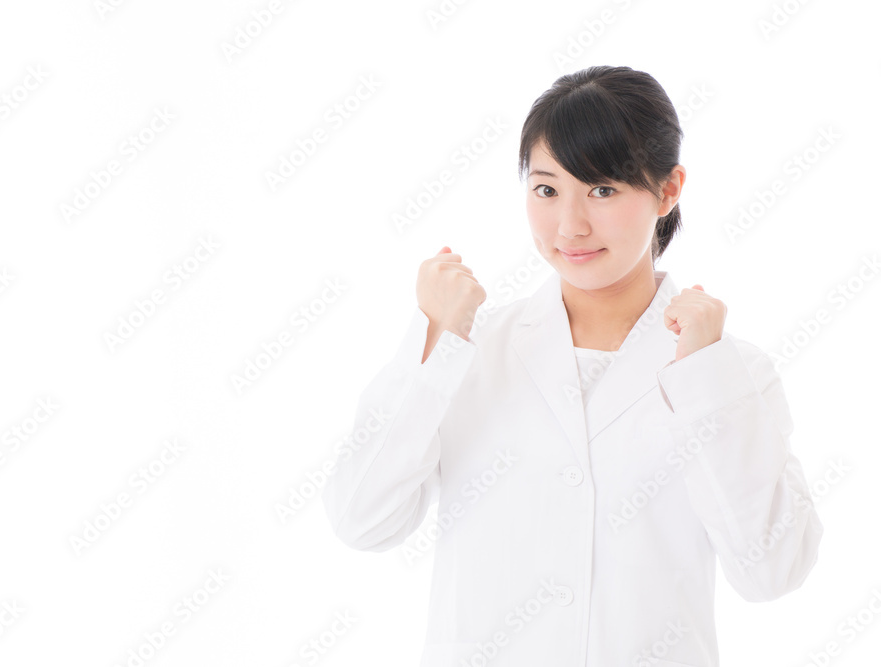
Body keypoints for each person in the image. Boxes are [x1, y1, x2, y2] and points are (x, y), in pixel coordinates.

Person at [321, 65, 823, 667]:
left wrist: (705, 380)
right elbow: (361, 521)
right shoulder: (471, 349)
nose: (570, 225)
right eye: (547, 189)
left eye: (603, 189)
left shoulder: (730, 372)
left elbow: (771, 571)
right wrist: (432, 343)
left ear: (667, 190)